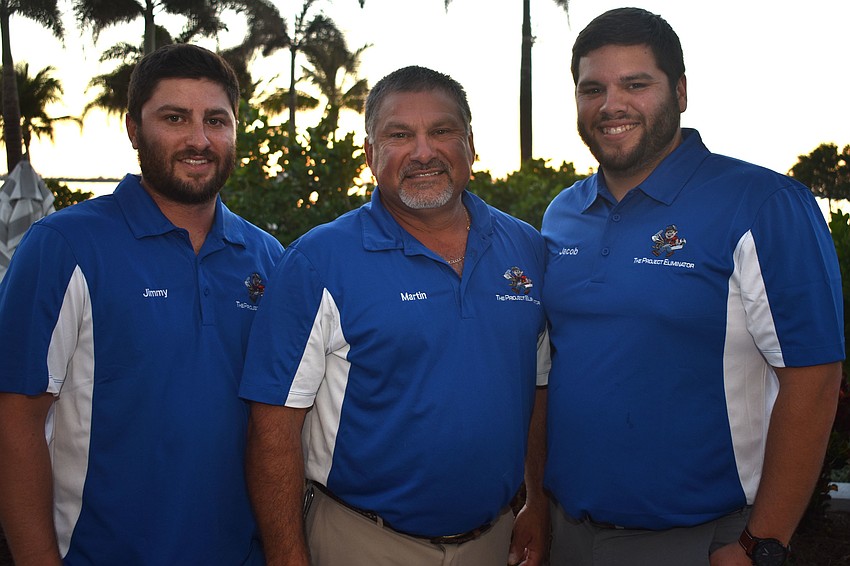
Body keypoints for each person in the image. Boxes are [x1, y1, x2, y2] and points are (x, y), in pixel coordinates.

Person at [535, 7, 845, 566]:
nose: (611, 105)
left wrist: (762, 542)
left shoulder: (763, 203)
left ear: (679, 91)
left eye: (636, 84)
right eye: (592, 88)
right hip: (570, 535)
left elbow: (814, 378)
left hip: (704, 540)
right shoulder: (562, 213)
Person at [238, 65, 550, 566]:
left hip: (493, 543)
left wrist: (536, 501)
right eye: (400, 135)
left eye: (442, 131)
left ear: (470, 143)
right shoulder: (318, 262)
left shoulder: (526, 248)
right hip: (361, 543)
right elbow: (272, 427)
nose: (423, 152)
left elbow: (537, 387)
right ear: (369, 154)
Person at [0, 43, 284, 565]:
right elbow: (14, 421)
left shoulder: (269, 259)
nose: (198, 140)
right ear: (133, 128)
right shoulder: (63, 246)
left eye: (216, 120)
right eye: (174, 118)